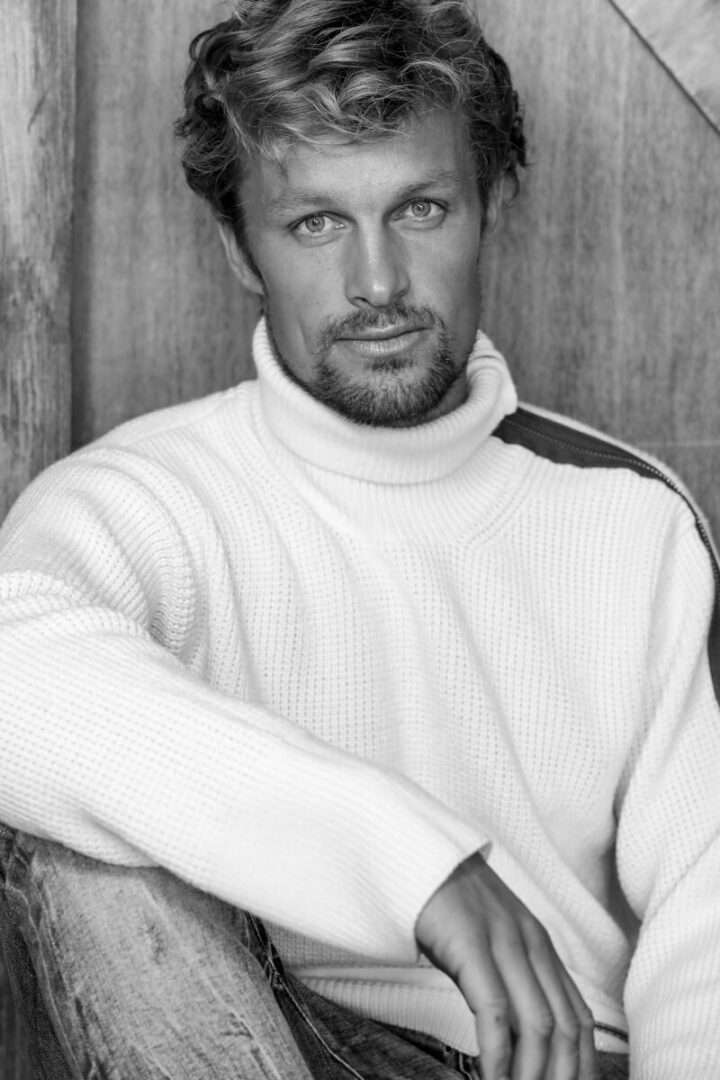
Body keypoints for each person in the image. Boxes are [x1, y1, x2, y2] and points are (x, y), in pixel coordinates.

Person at [0, 0, 718, 1077]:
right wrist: (414, 868)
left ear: (491, 206)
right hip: (271, 1043)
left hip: (565, 1060)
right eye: (315, 224)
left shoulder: (630, 517)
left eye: (420, 210)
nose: (377, 284)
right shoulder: (150, 497)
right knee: (90, 876)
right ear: (240, 249)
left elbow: (710, 907)